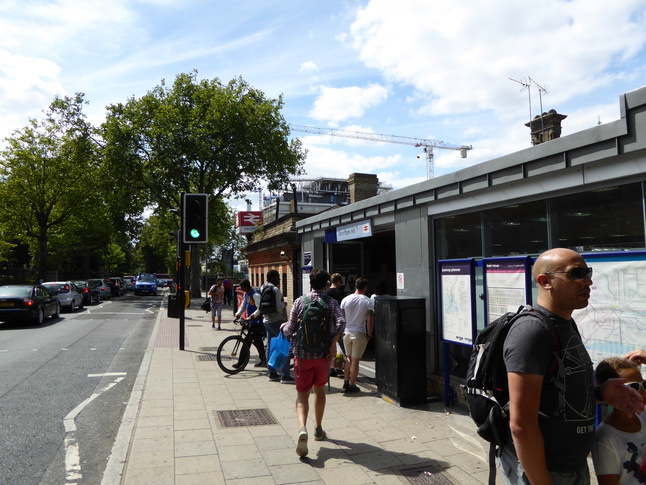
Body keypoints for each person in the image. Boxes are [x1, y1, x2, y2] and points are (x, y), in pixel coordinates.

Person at [501, 248, 643, 485]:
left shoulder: (565, 324)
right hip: (545, 472)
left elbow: (560, 394)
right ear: (545, 281)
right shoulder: (531, 332)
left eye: (587, 272)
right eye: (576, 273)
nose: (588, 281)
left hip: (573, 468)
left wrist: (600, 394)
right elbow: (521, 425)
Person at [280, 268, 345, 457]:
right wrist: (333, 343)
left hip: (302, 355)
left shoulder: (300, 302)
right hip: (323, 357)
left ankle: (302, 428)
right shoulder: (331, 303)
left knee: (302, 395)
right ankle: (318, 428)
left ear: (310, 283)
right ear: (326, 284)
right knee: (319, 392)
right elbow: (341, 322)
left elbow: (290, 328)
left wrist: (284, 327)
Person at [592, 357, 646, 484]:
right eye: (633, 387)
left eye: (644, 384)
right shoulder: (605, 440)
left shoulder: (643, 417)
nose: (642, 393)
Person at [340, 277, 374, 393]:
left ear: (355, 285)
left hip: (347, 332)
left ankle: (345, 381)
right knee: (355, 361)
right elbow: (370, 319)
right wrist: (369, 334)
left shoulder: (345, 300)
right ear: (365, 288)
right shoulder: (368, 301)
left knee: (348, 358)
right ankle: (352, 384)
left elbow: (342, 318)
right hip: (359, 333)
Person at [261, 270, 293, 383]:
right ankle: (285, 375)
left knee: (270, 346)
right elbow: (278, 307)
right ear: (273, 278)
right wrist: (283, 303)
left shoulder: (262, 288)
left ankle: (272, 373)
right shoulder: (275, 289)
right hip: (277, 321)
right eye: (278, 278)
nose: (279, 280)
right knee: (285, 345)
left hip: (266, 321)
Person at [233, 279, 266, 368]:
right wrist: (238, 315)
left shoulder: (255, 294)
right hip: (252, 322)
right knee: (258, 342)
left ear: (245, 286)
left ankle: (241, 362)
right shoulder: (246, 294)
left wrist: (250, 317)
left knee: (247, 342)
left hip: (257, 322)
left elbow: (260, 309)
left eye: (242, 287)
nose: (241, 288)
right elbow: (243, 305)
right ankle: (264, 360)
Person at [325, 273, 347, 374]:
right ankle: (343, 367)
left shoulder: (326, 293)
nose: (341, 284)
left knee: (330, 347)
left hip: (329, 324)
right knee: (343, 347)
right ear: (338, 282)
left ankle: (331, 368)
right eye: (341, 282)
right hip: (338, 324)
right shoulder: (340, 293)